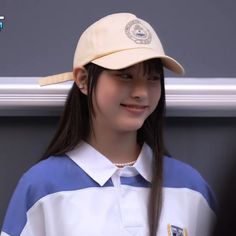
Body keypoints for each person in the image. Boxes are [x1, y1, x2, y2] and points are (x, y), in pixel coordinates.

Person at [1, 13, 216, 236]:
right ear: (83, 80)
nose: (141, 93)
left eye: (152, 78)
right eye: (125, 76)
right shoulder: (42, 187)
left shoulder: (191, 187)